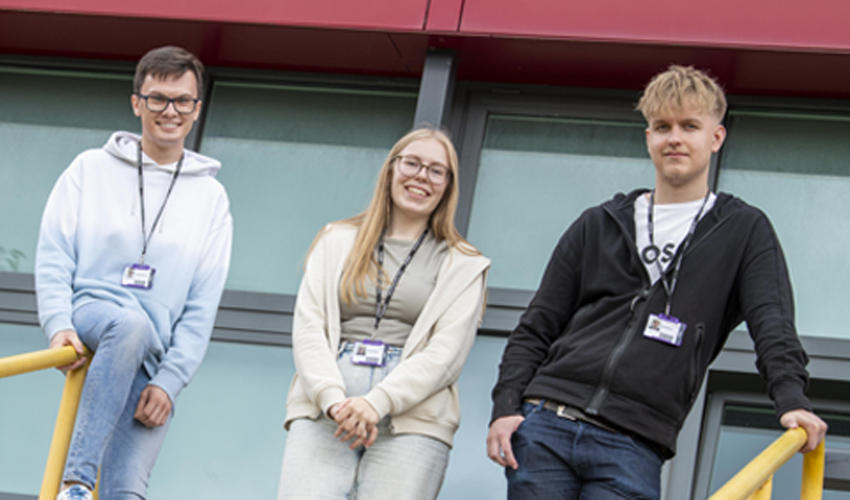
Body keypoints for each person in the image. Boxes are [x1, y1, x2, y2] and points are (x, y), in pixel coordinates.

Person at [486, 65, 827, 500]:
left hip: (633, 443)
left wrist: (792, 400)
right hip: (547, 424)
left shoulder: (744, 231)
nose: (675, 138)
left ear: (716, 137)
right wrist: (506, 408)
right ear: (648, 137)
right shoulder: (598, 224)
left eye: (690, 126)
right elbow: (537, 325)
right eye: (662, 127)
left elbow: (773, 325)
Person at [36, 46, 232, 500]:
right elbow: (53, 255)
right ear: (136, 103)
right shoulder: (90, 168)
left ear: (197, 108)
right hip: (94, 317)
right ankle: (78, 482)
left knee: (126, 489)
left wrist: (170, 381)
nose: (171, 111)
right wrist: (58, 324)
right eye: (158, 98)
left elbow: (203, 302)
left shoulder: (212, 198)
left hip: (153, 356)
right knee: (129, 323)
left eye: (183, 100)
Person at [277, 128, 490, 500]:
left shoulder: (465, 264)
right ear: (391, 169)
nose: (421, 176)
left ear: (448, 185)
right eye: (412, 163)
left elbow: (446, 354)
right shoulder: (335, 240)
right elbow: (308, 328)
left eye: (436, 170)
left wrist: (376, 402)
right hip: (326, 410)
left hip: (413, 420)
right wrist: (333, 401)